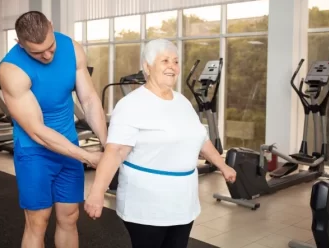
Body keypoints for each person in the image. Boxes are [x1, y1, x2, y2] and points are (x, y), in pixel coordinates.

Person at [84, 38, 237, 248]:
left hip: (183, 202)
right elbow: (116, 151)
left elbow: (200, 138)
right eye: (165, 61)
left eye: (175, 61)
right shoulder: (131, 105)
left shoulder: (182, 102)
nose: (172, 67)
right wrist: (97, 192)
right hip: (146, 204)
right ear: (147, 66)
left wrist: (222, 165)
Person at [0, 11, 107, 248]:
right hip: (35, 152)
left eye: (50, 47)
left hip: (69, 146)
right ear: (19, 44)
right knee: (38, 221)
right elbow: (36, 130)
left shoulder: (71, 48)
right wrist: (88, 157)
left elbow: (88, 99)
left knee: (70, 217)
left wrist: (107, 145)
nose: (47, 55)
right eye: (37, 52)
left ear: (52, 27)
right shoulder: (11, 70)